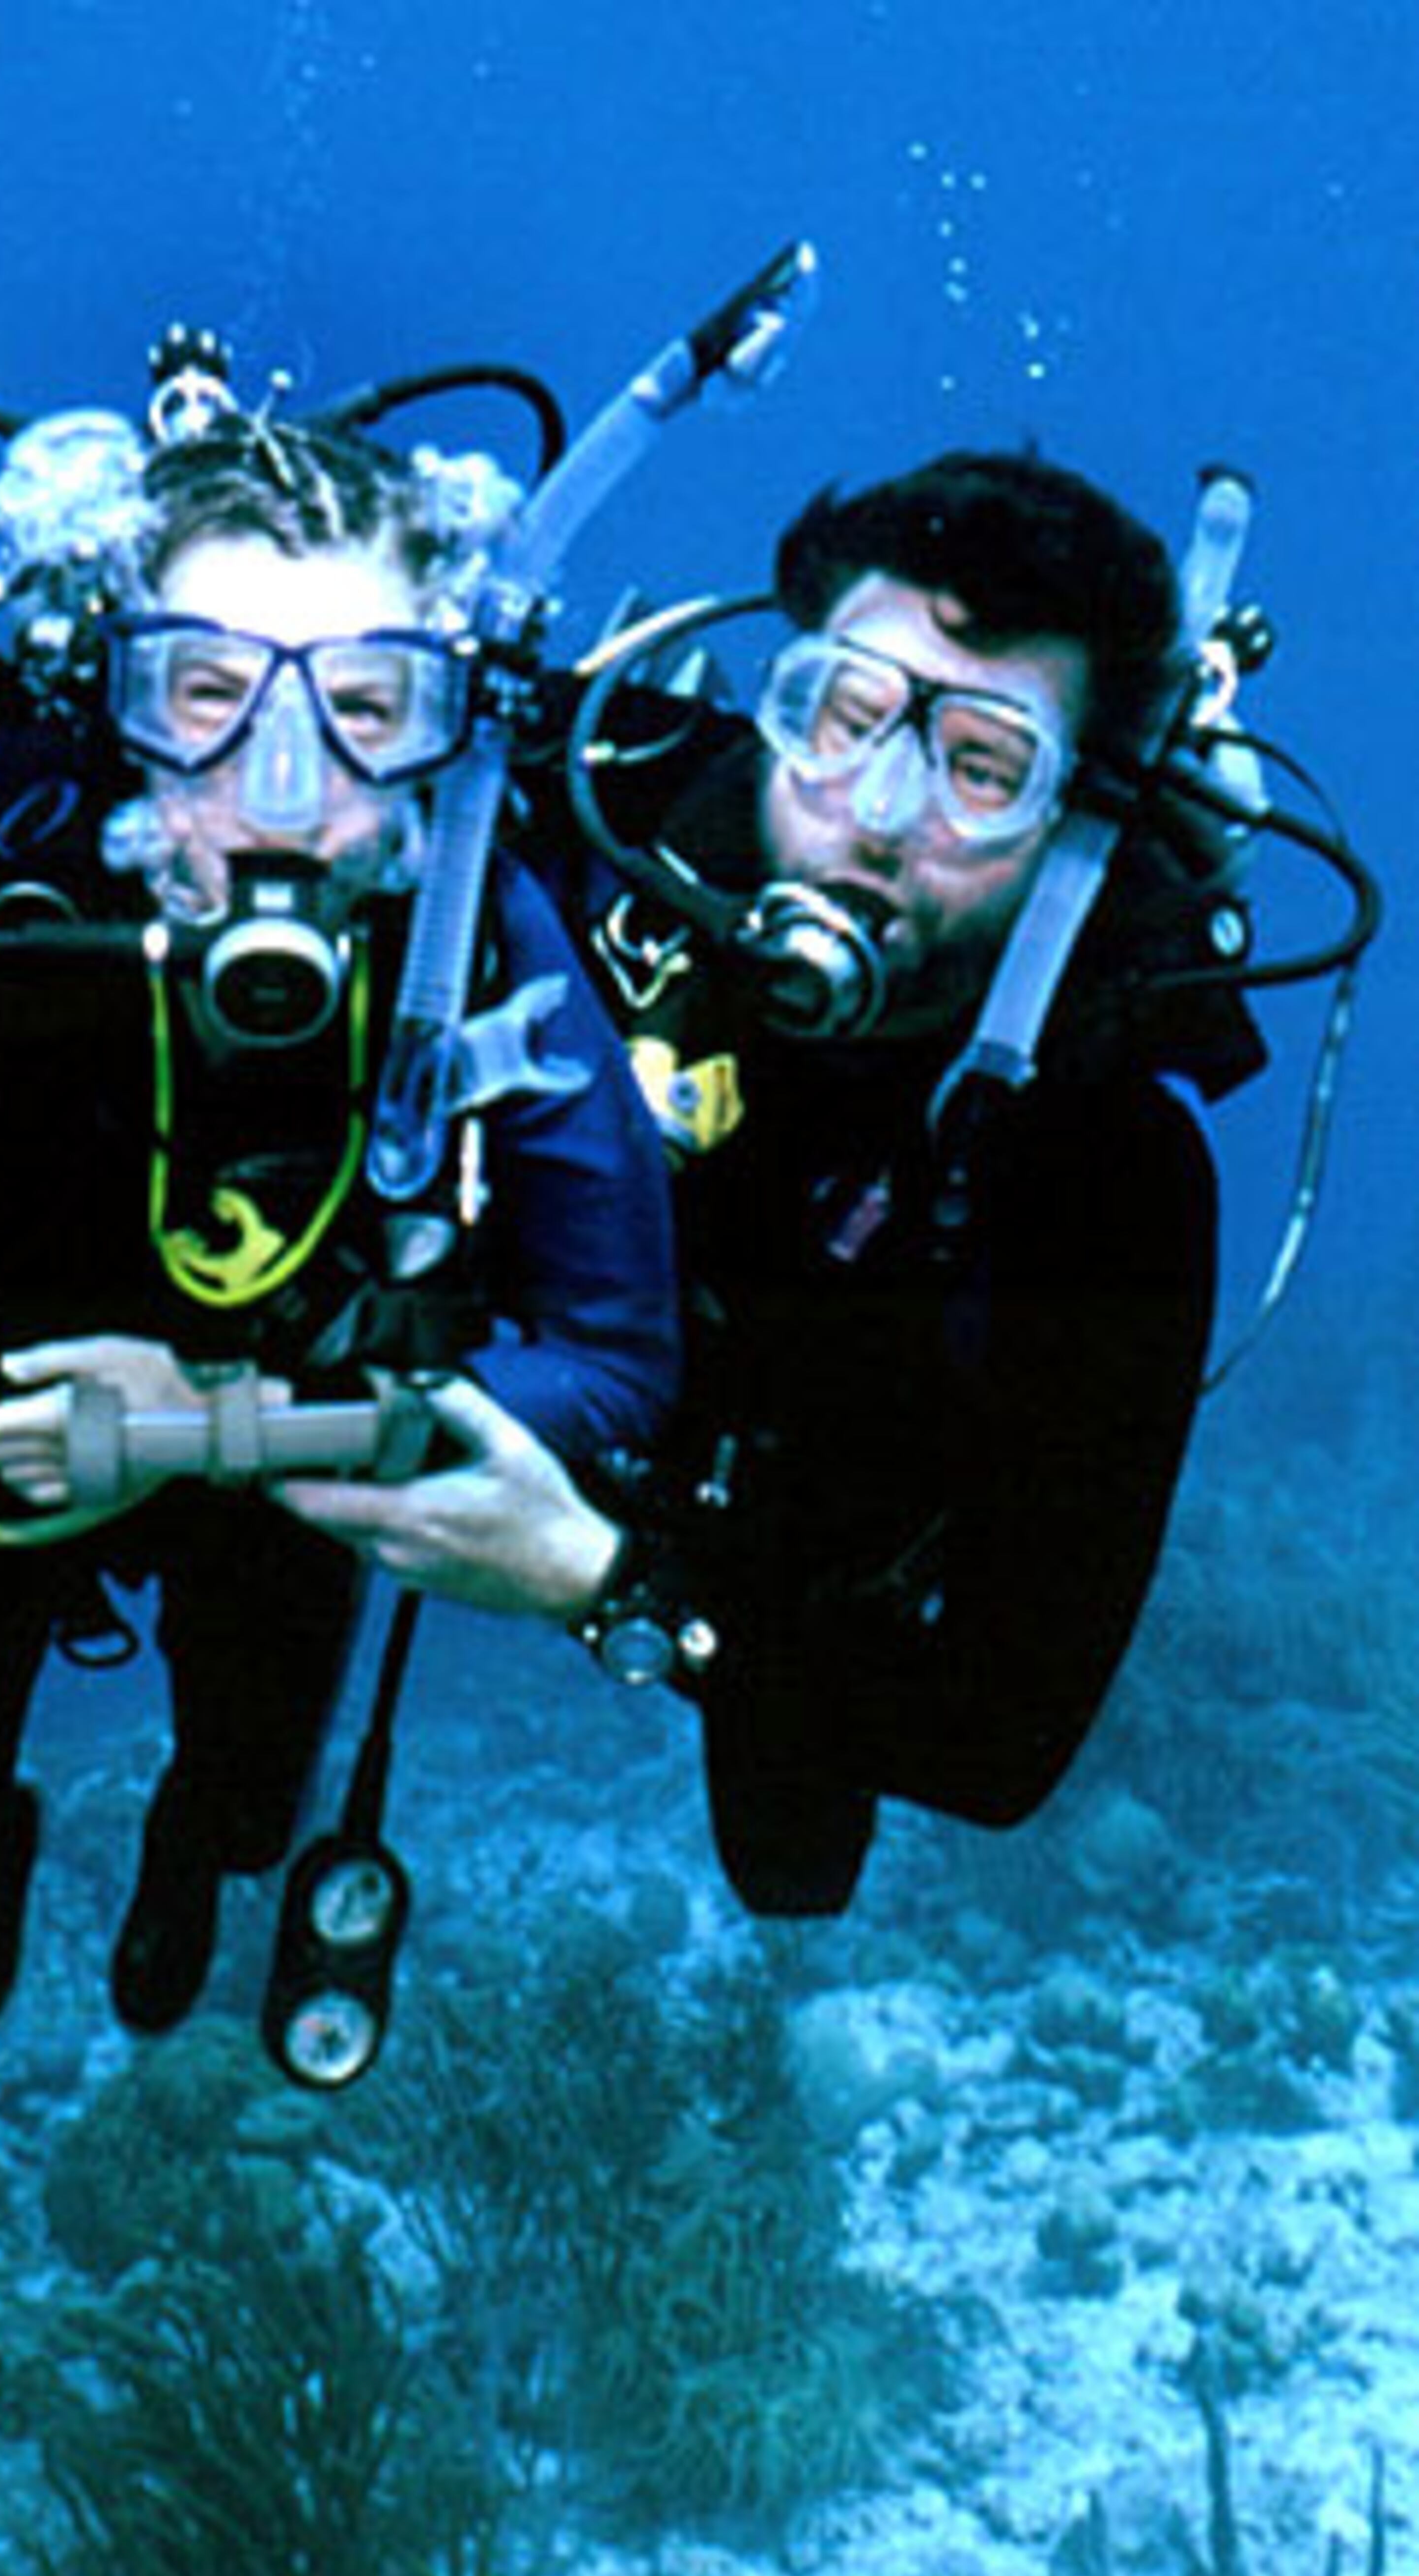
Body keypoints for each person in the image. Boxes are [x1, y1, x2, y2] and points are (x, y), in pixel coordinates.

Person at [0, 382, 678, 2033]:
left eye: (364, 703)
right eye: (204, 694)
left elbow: (621, 1357)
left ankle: (188, 1860)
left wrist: (213, 1430)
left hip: (287, 1467)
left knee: (256, 1812)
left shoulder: (477, 929)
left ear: (447, 725)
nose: (282, 786)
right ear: (115, 707)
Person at [278, 449, 1265, 1917]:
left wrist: (609, 1585)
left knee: (793, 1871)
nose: (875, 812)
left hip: (771, 1541)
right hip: (475, 1361)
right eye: (844, 716)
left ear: (1076, 828)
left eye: (981, 768)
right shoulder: (606, 803)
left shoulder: (1109, 1171)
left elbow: (998, 1751)